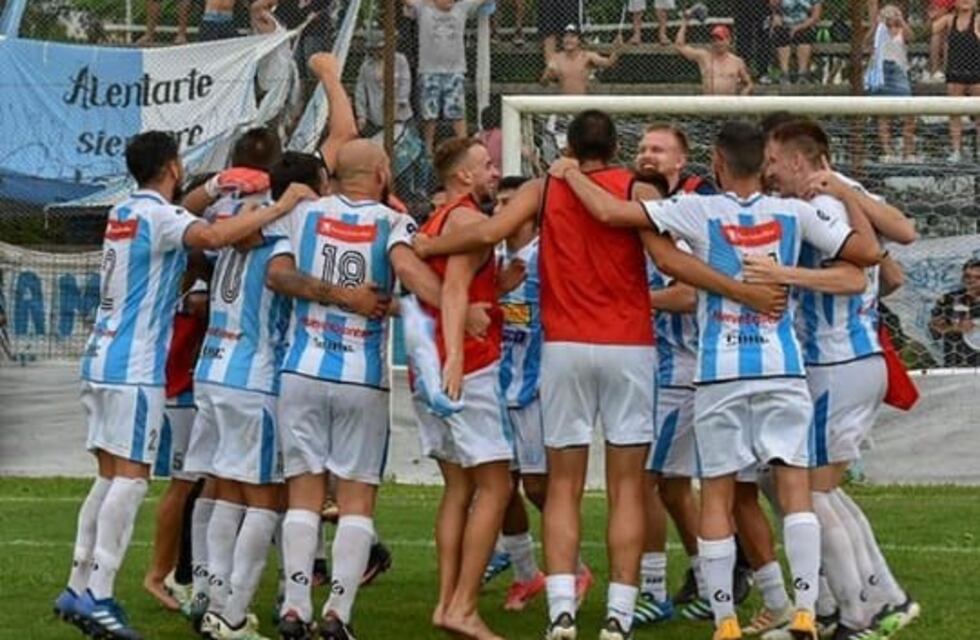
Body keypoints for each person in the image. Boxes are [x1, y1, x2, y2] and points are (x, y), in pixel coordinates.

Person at [413, 111, 789, 640]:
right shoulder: (636, 188)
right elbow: (671, 262)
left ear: (569, 146)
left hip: (564, 348)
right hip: (629, 348)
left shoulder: (544, 188)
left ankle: (561, 611)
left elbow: (492, 229)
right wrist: (742, 290)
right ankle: (618, 614)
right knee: (628, 488)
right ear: (617, 147)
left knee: (562, 487)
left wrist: (428, 245)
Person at [547, 118, 883, 640]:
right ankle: (803, 610)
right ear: (759, 164)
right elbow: (866, 256)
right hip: (781, 366)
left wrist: (569, 173)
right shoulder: (792, 213)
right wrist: (837, 202)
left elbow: (611, 212)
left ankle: (725, 618)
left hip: (719, 371)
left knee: (719, 492)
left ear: (718, 164)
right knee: (794, 487)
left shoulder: (698, 209)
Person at [51, 129, 309, 640]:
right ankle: (100, 595)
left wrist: (215, 190)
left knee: (107, 476)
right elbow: (211, 237)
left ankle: (78, 582)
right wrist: (281, 207)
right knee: (132, 478)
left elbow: (190, 215)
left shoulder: (125, 211)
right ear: (172, 167)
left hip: (100, 357)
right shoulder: (159, 216)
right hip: (135, 365)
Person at [268, 139, 448, 640]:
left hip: (301, 371)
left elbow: (277, 275)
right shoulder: (392, 222)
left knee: (303, 494)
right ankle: (337, 615)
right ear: (382, 171)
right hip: (360, 377)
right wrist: (453, 307)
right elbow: (412, 276)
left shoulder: (302, 214)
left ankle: (295, 607)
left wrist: (334, 294)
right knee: (356, 499)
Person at [759, 119, 921, 640]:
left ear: (800, 161)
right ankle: (864, 602)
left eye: (773, 159)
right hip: (843, 361)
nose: (768, 170)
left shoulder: (823, 205)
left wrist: (784, 275)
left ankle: (864, 612)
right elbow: (892, 260)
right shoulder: (841, 198)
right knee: (803, 488)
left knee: (809, 493)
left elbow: (860, 271)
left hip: (838, 362)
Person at [410, 137, 513, 640]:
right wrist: (455, 357)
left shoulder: (437, 220)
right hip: (467, 366)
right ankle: (464, 606)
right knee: (496, 485)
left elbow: (461, 284)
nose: (495, 172)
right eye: (487, 166)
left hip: (428, 366)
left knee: (459, 488)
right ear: (464, 177)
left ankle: (447, 601)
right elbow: (453, 289)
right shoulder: (468, 220)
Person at [143, 274, 209, 612]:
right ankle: (162, 574)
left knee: (200, 483)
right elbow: (196, 301)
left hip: (191, 381)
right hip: (181, 382)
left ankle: (186, 571)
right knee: (184, 484)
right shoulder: (189, 248)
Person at [404, 0, 492, 153]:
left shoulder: (462, 7)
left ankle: (463, 146)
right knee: (429, 114)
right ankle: (428, 149)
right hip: (429, 70)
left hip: (455, 71)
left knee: (457, 111)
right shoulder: (423, 8)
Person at [866, 4, 917, 163]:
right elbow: (866, 43)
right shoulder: (879, 31)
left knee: (909, 113)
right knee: (883, 115)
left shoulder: (902, 31)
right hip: (880, 71)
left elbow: (911, 37)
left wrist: (901, 20)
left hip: (898, 72)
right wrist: (877, 23)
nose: (890, 16)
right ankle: (887, 152)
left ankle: (908, 152)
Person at [932, 0, 980, 162]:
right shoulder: (949, 20)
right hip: (955, 73)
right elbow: (932, 29)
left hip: (976, 72)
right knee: (955, 113)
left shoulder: (978, 19)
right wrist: (941, 11)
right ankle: (956, 151)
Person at [675, 16, 754, 95]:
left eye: (720, 39)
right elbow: (680, 46)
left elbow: (749, 83)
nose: (717, 43)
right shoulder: (703, 57)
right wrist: (685, 22)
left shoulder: (737, 62)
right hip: (709, 104)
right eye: (714, 40)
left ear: (728, 40)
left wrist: (744, 93)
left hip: (729, 104)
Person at [355, 31, 413, 137]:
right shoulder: (366, 66)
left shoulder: (400, 60)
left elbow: (405, 83)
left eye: (383, 47)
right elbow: (360, 92)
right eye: (377, 49)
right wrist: (361, 115)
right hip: (377, 118)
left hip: (400, 115)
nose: (380, 51)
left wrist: (399, 103)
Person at [541, 23, 624, 95]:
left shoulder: (587, 56)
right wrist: (547, 74)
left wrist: (617, 50)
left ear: (579, 40)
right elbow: (543, 83)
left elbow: (608, 63)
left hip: (582, 102)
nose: (568, 40)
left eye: (572, 37)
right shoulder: (556, 58)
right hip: (564, 104)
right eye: (565, 37)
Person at [930, 258, 980, 367]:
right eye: (967, 276)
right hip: (957, 362)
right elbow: (935, 331)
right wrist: (954, 328)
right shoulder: (949, 300)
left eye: (978, 277)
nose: (971, 281)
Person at [771, 0, 823, 84]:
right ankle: (785, 74)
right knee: (781, 34)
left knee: (804, 36)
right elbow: (775, 10)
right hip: (786, 24)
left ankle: (802, 74)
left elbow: (815, 17)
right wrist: (777, 21)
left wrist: (798, 28)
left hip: (804, 24)